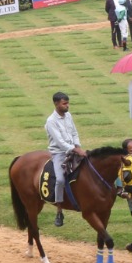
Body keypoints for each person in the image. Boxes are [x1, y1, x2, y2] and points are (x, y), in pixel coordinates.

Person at [45, 91, 82, 226]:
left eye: (68, 103)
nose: (67, 106)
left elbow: (74, 132)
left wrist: (78, 146)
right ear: (56, 104)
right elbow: (60, 142)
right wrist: (74, 149)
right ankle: (59, 210)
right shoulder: (51, 121)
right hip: (59, 153)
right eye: (64, 103)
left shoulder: (68, 116)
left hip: (73, 149)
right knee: (60, 179)